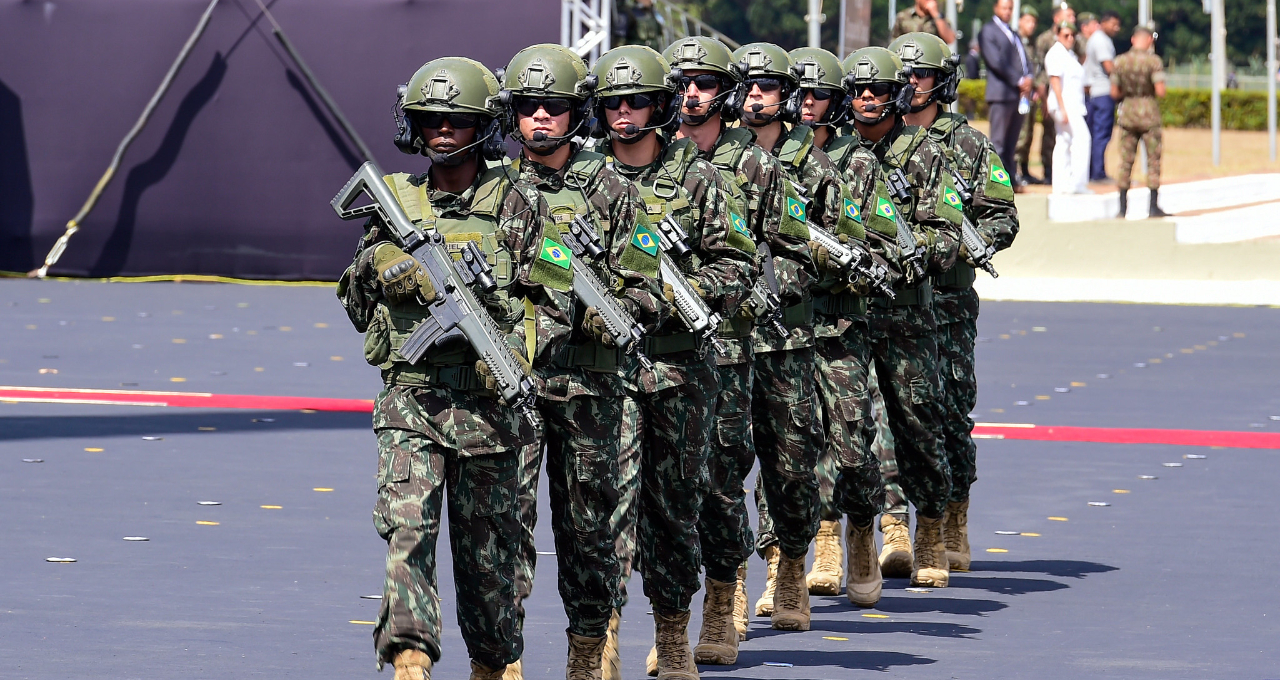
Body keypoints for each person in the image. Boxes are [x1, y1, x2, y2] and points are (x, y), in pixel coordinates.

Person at [335, 56, 573, 680]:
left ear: (482, 126)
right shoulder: (398, 202)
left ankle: (496, 662)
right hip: (412, 400)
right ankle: (409, 657)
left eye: (457, 120)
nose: (442, 130)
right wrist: (383, 268)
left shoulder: (521, 203)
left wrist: (513, 348)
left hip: (492, 412)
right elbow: (356, 305)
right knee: (406, 530)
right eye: (431, 119)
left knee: (489, 563)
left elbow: (558, 297)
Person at [500, 43, 665, 680]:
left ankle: (591, 658)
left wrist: (609, 309)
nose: (541, 118)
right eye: (528, 108)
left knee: (593, 534)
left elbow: (650, 283)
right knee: (502, 533)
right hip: (511, 387)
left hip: (594, 388)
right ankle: (502, 659)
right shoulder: (493, 190)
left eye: (555, 107)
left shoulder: (614, 190)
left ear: (576, 116)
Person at [591, 44, 754, 680]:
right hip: (602, 374)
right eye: (612, 103)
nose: (623, 113)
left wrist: (668, 293)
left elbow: (738, 267)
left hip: (679, 371)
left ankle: (675, 629)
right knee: (601, 510)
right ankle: (598, 639)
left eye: (636, 102)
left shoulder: (702, 183)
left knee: (676, 508)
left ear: (658, 107)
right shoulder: (583, 182)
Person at [664, 36, 822, 643]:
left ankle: (787, 566)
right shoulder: (660, 161)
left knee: (787, 463)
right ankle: (719, 602)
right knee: (711, 479)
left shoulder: (757, 166)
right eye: (684, 82)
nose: (693, 93)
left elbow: (800, 247)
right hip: (699, 349)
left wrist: (761, 288)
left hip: (767, 339)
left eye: (705, 82)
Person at [775, 45, 905, 608]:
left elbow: (885, 247)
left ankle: (858, 529)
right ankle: (803, 555)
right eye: (798, 95)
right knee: (786, 453)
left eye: (818, 95)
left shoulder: (858, 166)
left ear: (836, 102)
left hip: (842, 327)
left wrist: (844, 259)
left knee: (853, 448)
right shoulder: (763, 163)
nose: (806, 105)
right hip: (780, 331)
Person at [892, 31, 1020, 572]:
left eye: (919, 75)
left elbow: (1002, 214)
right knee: (896, 414)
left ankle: (953, 516)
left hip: (947, 303)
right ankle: (900, 523)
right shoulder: (876, 143)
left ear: (941, 82)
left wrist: (971, 244)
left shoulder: (968, 145)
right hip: (893, 301)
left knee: (947, 413)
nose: (909, 85)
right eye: (902, 75)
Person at [844, 46, 962, 589]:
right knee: (859, 429)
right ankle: (889, 526)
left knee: (918, 424)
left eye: (877, 91)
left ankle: (933, 524)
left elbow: (947, 230)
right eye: (859, 91)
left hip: (910, 313)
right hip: (850, 314)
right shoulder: (836, 153)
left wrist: (905, 256)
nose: (867, 100)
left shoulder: (924, 153)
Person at [1112, 23, 1169, 218]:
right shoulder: (1153, 62)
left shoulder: (1120, 62)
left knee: (1126, 161)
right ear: (1149, 41)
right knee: (1153, 160)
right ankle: (1152, 207)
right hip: (1149, 114)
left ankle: (1122, 208)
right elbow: (1161, 91)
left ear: (1132, 40)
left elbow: (1114, 92)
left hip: (1128, 113)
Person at [978, 0, 1033, 177]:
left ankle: (1010, 182)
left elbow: (1024, 59)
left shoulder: (1013, 32)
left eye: (1010, 8)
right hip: (1001, 94)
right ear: (995, 8)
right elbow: (995, 61)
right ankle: (995, 183)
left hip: (1017, 95)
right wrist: (1018, 80)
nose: (1008, 11)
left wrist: (1028, 78)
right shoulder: (988, 31)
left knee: (1011, 143)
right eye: (1004, 8)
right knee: (998, 143)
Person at [1034, 3, 1084, 185]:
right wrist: (1044, 97)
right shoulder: (1046, 40)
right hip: (1054, 93)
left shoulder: (1074, 40)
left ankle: (1061, 177)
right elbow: (1041, 70)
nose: (1072, 18)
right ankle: (1051, 172)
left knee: (1061, 139)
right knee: (1054, 136)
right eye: (1068, 15)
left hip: (1068, 95)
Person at [1045, 20, 1091, 194]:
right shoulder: (1056, 53)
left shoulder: (1068, 53)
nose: (1070, 38)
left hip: (1072, 104)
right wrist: (1062, 107)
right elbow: (1055, 81)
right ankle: (1077, 183)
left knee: (1064, 141)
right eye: (1066, 35)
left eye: (1072, 35)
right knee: (1082, 138)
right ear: (1057, 35)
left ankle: (1062, 184)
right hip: (1065, 104)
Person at [1084, 11, 1121, 182]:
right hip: (1102, 91)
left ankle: (1095, 171)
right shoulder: (1100, 40)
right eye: (1114, 24)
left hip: (1097, 92)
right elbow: (1109, 67)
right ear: (1103, 23)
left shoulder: (1099, 39)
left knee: (1097, 133)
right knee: (1101, 134)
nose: (1117, 28)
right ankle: (1097, 173)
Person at [1013, 5, 1044, 185]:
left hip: (1030, 96)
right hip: (1018, 95)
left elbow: (1037, 69)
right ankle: (1015, 170)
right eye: (1028, 21)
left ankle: (1024, 169)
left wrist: (1036, 87)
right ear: (1020, 21)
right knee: (1020, 134)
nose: (1031, 25)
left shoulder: (1034, 44)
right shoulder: (1014, 42)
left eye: (1034, 22)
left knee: (1030, 133)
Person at [892, 0, 957, 45]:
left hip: (932, 61)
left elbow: (950, 39)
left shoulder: (940, 19)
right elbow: (894, 42)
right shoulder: (903, 17)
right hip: (908, 60)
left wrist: (935, 14)